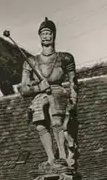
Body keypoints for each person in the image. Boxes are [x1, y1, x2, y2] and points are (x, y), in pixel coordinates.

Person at [20, 17, 78, 167]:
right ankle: (51, 157)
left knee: (57, 122)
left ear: (54, 35)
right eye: (43, 33)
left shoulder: (65, 58)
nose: (46, 36)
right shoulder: (31, 61)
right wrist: (39, 88)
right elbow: (24, 89)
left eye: (49, 33)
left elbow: (73, 82)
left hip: (58, 92)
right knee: (40, 125)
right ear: (40, 36)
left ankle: (63, 156)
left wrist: (73, 99)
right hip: (40, 94)